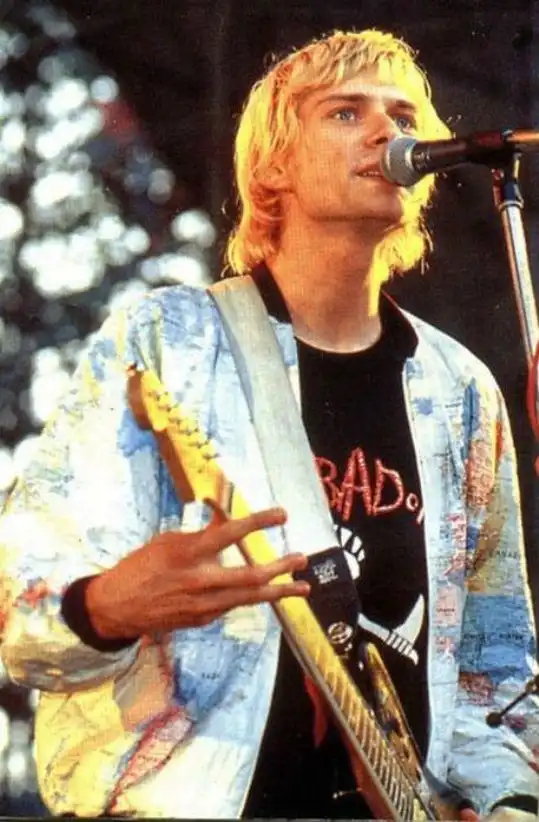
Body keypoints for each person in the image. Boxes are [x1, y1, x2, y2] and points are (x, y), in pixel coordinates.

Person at [0, 27, 538, 821]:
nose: (386, 131)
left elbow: (493, 667)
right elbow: (22, 603)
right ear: (273, 165)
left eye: (401, 115)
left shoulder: (459, 389)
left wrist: (506, 801)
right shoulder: (171, 343)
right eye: (346, 112)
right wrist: (105, 606)